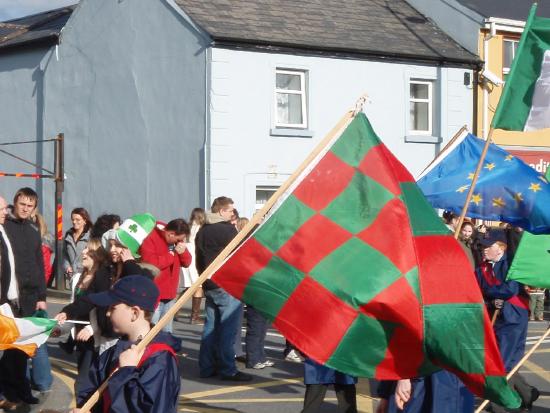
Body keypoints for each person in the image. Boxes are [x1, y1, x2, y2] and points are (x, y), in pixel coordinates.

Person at [73, 275, 181, 413]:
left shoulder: (160, 359)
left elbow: (151, 408)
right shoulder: (114, 351)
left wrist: (127, 372)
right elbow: (91, 390)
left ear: (134, 313)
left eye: (113, 308)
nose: (107, 313)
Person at [475, 230, 539, 412]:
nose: (484, 249)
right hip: (494, 318)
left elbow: (510, 289)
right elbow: (477, 289)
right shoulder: (482, 267)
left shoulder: (511, 264)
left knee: (499, 364)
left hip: (513, 319)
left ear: (501, 247)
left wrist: (490, 292)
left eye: (488, 246)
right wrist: (490, 298)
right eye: (482, 246)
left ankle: (498, 406)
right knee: (508, 364)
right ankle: (527, 394)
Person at [196, 196, 252, 381]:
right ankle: (228, 369)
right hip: (226, 284)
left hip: (209, 283)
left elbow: (198, 258)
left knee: (210, 328)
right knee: (228, 330)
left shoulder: (203, 231)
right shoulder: (227, 230)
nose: (232, 214)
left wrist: (203, 280)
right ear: (221, 211)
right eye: (230, 211)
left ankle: (206, 367)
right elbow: (241, 256)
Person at [0, 187, 46, 405]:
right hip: (9, 298)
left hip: (29, 298)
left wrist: (42, 295)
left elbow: (39, 263)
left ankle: (20, 390)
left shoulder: (33, 230)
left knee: (23, 349)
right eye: (22, 204)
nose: (26, 209)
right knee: (10, 348)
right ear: (14, 203)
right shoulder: (5, 227)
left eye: (30, 206)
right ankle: (12, 392)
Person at [139, 217, 192, 333]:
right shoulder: (151, 237)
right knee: (150, 331)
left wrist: (183, 253)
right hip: (154, 293)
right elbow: (150, 264)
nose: (180, 241)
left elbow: (187, 263)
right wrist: (172, 255)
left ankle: (165, 351)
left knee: (167, 331)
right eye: (179, 239)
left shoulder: (177, 241)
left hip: (171, 293)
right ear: (171, 234)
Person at [0, 195, 21, 410]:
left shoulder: (4, 230)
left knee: (6, 347)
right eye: (3, 208)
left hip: (6, 300)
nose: (6, 212)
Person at [181, 208, 206, 324]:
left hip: (187, 255)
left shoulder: (187, 227)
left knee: (190, 287)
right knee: (198, 286)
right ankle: (194, 316)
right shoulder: (202, 227)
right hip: (195, 256)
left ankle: (173, 311)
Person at [63, 207, 93, 279]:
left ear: (85, 221)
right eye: (73, 219)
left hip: (86, 276)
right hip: (72, 276)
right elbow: (64, 254)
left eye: (78, 220)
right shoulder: (68, 235)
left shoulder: (91, 236)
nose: (74, 222)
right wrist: (67, 266)